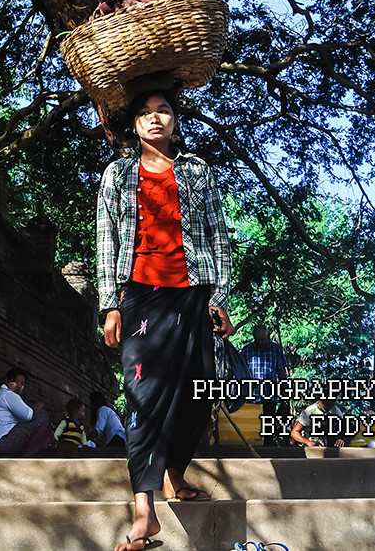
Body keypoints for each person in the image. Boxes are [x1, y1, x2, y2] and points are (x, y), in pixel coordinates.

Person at [97, 85, 233, 551]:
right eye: (146, 113)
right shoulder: (117, 175)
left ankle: (174, 474)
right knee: (143, 396)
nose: (155, 119)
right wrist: (109, 304)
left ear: (176, 121)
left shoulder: (197, 171)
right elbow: (105, 242)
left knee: (200, 388)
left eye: (164, 111)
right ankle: (144, 511)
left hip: (194, 294)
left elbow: (218, 236)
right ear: (133, 125)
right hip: (140, 296)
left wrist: (222, 297)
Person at [0, 366, 55, 455]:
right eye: (16, 381)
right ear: (7, 381)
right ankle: (29, 456)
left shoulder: (0, 395)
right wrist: (39, 406)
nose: (19, 385)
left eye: (22, 383)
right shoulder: (8, 394)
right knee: (40, 416)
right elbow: (31, 416)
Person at [240, 322, 288, 444]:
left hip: (270, 395)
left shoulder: (275, 349)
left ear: (267, 336)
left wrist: (285, 394)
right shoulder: (247, 350)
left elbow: (281, 373)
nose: (261, 342)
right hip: (252, 396)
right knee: (252, 427)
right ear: (254, 337)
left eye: (263, 339)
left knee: (268, 427)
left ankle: (268, 452)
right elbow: (240, 373)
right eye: (258, 339)